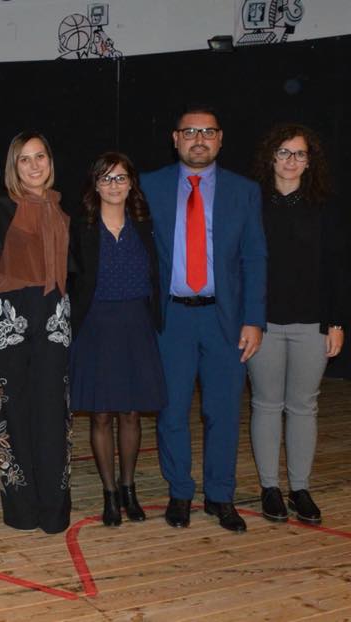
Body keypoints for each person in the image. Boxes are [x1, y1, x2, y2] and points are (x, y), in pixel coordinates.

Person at [142, 106, 267, 533]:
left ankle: (220, 495)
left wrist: (254, 319)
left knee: (223, 412)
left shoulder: (244, 191)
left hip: (225, 320)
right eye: (191, 131)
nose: (199, 139)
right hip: (171, 319)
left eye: (208, 132)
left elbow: (255, 257)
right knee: (172, 411)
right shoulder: (149, 186)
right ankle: (180, 492)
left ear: (220, 139)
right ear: (175, 138)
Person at [247, 124, 346, 525]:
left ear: (310, 161)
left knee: (304, 407)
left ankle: (300, 489)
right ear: (271, 157)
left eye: (299, 154)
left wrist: (336, 322)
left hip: (312, 324)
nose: (291, 160)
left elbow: (337, 268)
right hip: (263, 324)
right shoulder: (252, 203)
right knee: (266, 404)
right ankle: (270, 488)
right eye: (284, 152)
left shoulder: (326, 206)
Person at [68, 152, 166, 527]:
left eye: (120, 178)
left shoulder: (145, 225)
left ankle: (129, 488)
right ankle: (109, 493)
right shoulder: (81, 227)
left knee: (131, 412)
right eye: (106, 178)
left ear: (131, 184)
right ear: (95, 185)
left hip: (136, 324)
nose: (113, 185)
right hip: (96, 325)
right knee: (101, 413)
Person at [0, 131, 72, 534]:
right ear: (13, 167)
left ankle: (54, 510)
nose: (34, 165)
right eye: (25, 159)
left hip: (54, 316)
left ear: (50, 161)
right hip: (9, 317)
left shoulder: (63, 207)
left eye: (40, 157)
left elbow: (76, 268)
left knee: (53, 414)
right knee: (11, 412)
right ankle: (21, 510)